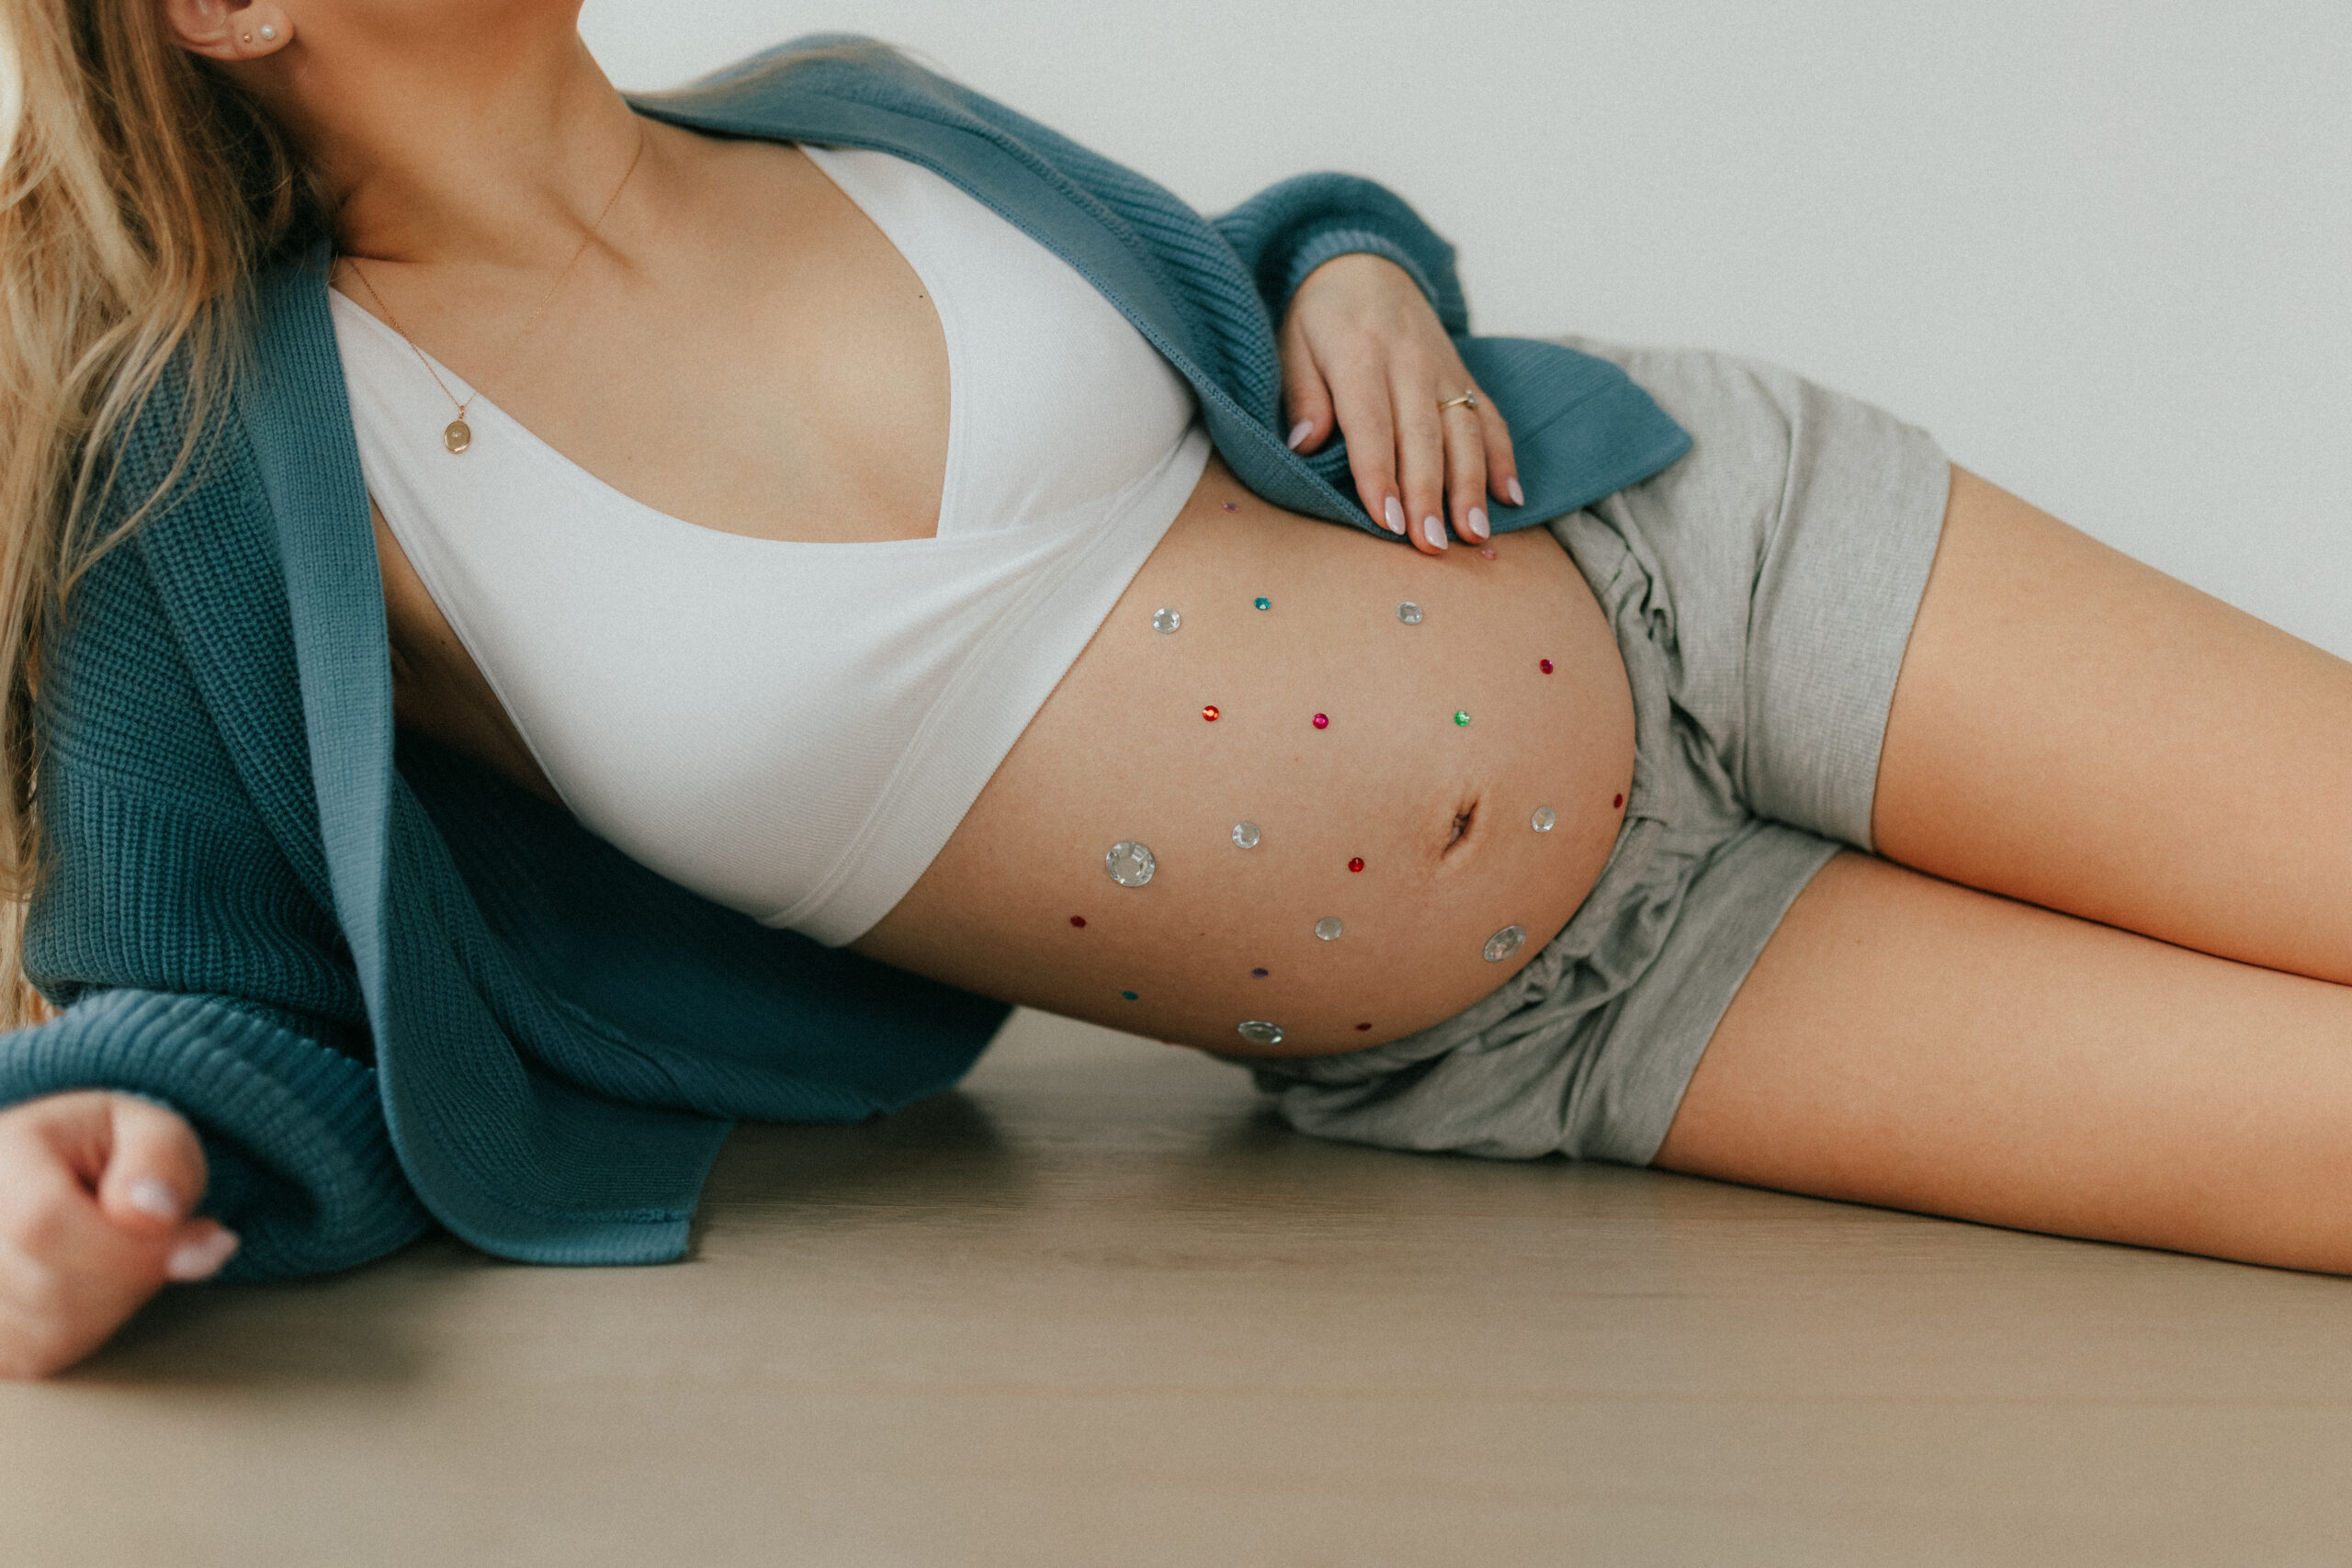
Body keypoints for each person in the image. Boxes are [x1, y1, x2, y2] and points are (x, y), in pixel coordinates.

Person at [4, 3, 2348, 1382]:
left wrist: (1349, 273)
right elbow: (196, 966)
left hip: (1694, 554)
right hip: (1551, 1017)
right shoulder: (233, 487)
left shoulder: (839, 105)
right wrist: (116, 1145)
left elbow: (1228, 276)